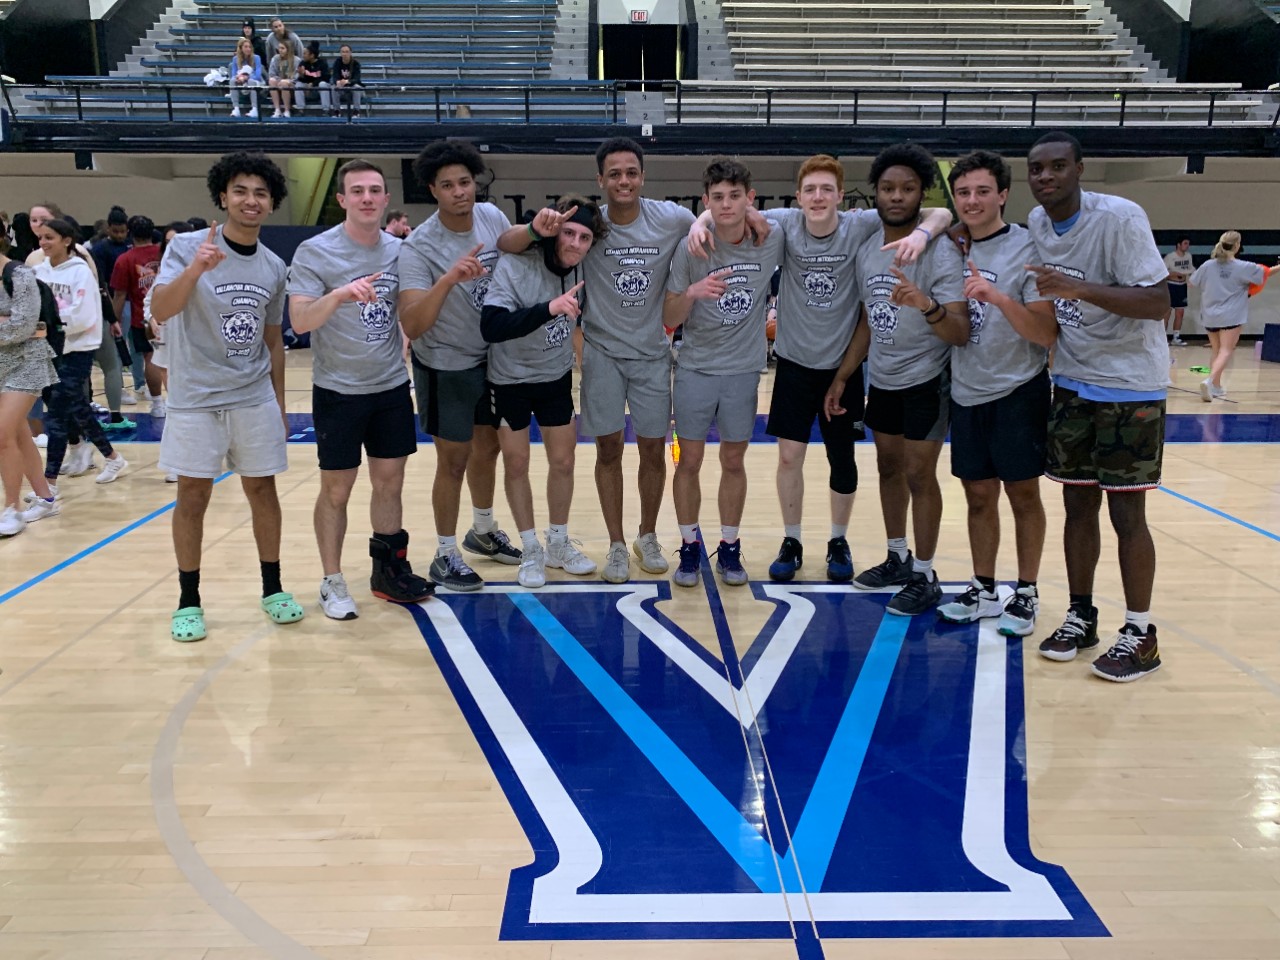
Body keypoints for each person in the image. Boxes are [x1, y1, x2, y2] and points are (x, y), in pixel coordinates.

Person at [689, 154, 951, 584]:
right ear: (798, 197)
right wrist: (701, 223)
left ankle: (837, 540)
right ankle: (792, 540)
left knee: (842, 459)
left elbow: (940, 213)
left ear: (840, 196)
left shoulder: (860, 224)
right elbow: (725, 206)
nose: (817, 196)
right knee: (789, 456)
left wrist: (922, 235)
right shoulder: (784, 222)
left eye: (826, 189)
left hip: (841, 366)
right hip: (794, 362)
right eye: (810, 189)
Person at [1025, 131, 1171, 683]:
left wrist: (1078, 289)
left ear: (1080, 169)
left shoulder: (1120, 218)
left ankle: (1141, 634)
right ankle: (1081, 614)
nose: (1046, 177)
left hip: (1131, 385)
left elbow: (1158, 302)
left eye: (1058, 167)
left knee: (1126, 514)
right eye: (1037, 169)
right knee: (1077, 507)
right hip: (1072, 382)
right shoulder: (1038, 223)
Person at [150, 151, 302, 643]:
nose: (250, 200)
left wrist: (278, 406)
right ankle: (188, 599)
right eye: (240, 190)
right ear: (222, 196)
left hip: (252, 395)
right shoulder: (188, 247)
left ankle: (273, 588)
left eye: (260, 193)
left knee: (263, 491)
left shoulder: (274, 265)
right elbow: (161, 309)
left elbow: (273, 339)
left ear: (271, 203)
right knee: (192, 495)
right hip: (195, 398)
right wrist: (194, 270)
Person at [288, 159, 434, 619]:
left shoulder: (402, 251)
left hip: (390, 385)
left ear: (386, 199)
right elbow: (299, 321)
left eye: (375, 190)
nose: (367, 198)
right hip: (338, 389)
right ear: (342, 200)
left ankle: (388, 571)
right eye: (357, 191)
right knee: (336, 489)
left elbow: (409, 308)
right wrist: (339, 294)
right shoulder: (315, 252)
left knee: (390, 483)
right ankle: (331, 581)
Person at [835, 143, 968, 616]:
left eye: (907, 188)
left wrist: (925, 305)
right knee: (888, 469)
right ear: (875, 192)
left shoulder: (941, 252)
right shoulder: (868, 249)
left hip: (928, 379)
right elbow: (869, 321)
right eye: (888, 188)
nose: (897, 196)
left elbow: (959, 330)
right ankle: (897, 556)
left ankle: (926, 572)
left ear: (921, 193)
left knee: (918, 474)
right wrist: (843, 377)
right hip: (883, 380)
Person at [934, 151, 1057, 635]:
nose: (972, 200)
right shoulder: (951, 245)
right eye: (963, 192)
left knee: (1023, 495)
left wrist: (999, 297)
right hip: (966, 392)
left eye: (983, 191)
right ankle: (984, 588)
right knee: (978, 496)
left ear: (1003, 195)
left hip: (1017, 390)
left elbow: (1046, 334)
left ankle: (1025, 591)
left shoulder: (1028, 248)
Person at [398, 140, 520, 591]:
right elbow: (412, 321)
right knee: (453, 460)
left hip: (493, 358)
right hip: (446, 363)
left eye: (465, 182)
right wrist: (450, 277)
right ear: (433, 190)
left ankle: (483, 530)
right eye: (447, 185)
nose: (459, 192)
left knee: (489, 449)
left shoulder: (492, 218)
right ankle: (445, 553)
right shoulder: (418, 247)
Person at [664, 157, 785, 588]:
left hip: (743, 371)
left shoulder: (771, 237)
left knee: (734, 460)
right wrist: (693, 292)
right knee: (688, 461)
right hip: (695, 369)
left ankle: (729, 547)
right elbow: (669, 314)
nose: (727, 204)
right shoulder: (691, 247)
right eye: (718, 198)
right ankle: (689, 544)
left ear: (751, 200)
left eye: (736, 196)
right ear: (706, 201)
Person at [481, 196, 605, 588]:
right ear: (554, 232)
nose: (575, 243)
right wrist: (549, 308)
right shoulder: (518, 264)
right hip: (510, 380)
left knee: (564, 462)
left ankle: (558, 542)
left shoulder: (582, 267)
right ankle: (530, 547)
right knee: (516, 464)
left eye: (584, 237)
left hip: (554, 378)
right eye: (569, 233)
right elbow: (493, 326)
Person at [29, 219, 128, 495]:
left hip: (78, 348)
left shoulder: (80, 272)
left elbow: (82, 317)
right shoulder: (38, 271)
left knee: (57, 416)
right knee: (78, 409)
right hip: (48, 349)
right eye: (40, 238)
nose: (44, 242)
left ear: (67, 240)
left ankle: (48, 487)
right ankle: (113, 458)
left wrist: (47, 327)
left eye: (49, 237)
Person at [0, 248, 58, 538]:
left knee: (2, 433)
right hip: (1, 363)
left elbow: (22, 326)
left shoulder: (19, 275)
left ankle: (12, 509)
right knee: (18, 433)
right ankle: (45, 498)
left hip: (27, 362)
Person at [1189, 230, 1265, 403]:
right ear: (1237, 246)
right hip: (1231, 316)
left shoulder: (1208, 265)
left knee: (1216, 350)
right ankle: (1209, 381)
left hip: (1209, 316)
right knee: (1226, 350)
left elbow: (1192, 282)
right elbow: (1264, 275)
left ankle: (1215, 386)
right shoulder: (1244, 266)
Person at [110, 215, 165, 419]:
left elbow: (120, 295)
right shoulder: (164, 253)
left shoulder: (125, 259)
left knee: (150, 358)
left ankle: (158, 404)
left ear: (130, 233)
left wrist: (113, 320)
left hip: (142, 318)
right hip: (169, 313)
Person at [90, 206, 131, 285]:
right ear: (108, 229)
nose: (119, 235)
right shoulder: (100, 249)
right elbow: (100, 277)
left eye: (123, 231)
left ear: (127, 230)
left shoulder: (131, 244)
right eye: (115, 232)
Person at [1163, 236, 1192, 346]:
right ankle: (1163, 338)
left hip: (1182, 286)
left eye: (1188, 244)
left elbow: (1190, 269)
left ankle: (1176, 337)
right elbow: (1164, 273)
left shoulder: (1188, 256)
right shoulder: (1170, 257)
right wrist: (1175, 274)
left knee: (1180, 312)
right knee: (1167, 313)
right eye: (1185, 243)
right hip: (1171, 286)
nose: (1187, 246)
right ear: (1178, 245)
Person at [228, 37, 263, 119]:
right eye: (246, 47)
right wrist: (238, 77)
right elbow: (233, 74)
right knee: (232, 81)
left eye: (250, 47)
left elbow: (258, 76)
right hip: (241, 82)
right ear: (240, 48)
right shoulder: (235, 59)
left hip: (255, 82)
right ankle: (236, 108)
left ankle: (255, 109)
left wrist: (246, 77)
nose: (248, 49)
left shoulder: (256, 58)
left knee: (251, 81)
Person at [295, 41, 331, 116]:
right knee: (298, 84)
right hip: (307, 90)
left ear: (312, 55)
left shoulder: (322, 63)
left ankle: (326, 110)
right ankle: (300, 109)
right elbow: (302, 80)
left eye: (305, 53)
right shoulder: (302, 63)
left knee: (323, 84)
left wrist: (313, 83)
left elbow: (326, 77)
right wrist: (301, 75)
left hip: (318, 89)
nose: (303, 55)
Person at [268, 40, 299, 119]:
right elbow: (271, 74)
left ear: (288, 50)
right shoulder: (275, 58)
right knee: (271, 81)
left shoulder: (296, 60)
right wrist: (279, 81)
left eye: (282, 48)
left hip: (292, 85)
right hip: (279, 83)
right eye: (279, 48)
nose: (280, 50)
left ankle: (287, 110)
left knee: (284, 83)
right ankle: (277, 110)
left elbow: (297, 77)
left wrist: (287, 81)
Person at [331, 45, 362, 115]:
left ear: (350, 53)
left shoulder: (356, 63)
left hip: (352, 86)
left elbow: (357, 79)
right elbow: (335, 75)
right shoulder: (337, 62)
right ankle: (337, 111)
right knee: (334, 87)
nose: (344, 54)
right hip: (342, 87)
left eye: (347, 52)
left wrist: (347, 81)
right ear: (340, 53)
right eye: (343, 52)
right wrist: (337, 82)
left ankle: (356, 111)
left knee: (357, 87)